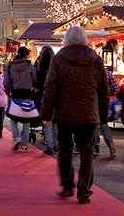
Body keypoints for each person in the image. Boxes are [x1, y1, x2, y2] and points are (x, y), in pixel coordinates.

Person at [41, 26, 109, 205]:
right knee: (87, 152)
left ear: (67, 39)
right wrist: (103, 114)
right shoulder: (95, 59)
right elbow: (103, 90)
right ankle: (84, 190)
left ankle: (67, 184)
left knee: (65, 149)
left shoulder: (58, 59)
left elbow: (51, 87)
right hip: (89, 113)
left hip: (65, 113)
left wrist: (46, 112)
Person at [5, 46, 37, 151]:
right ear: (26, 54)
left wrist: (7, 92)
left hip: (15, 93)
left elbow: (7, 81)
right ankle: (24, 145)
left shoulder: (10, 66)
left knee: (13, 118)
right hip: (27, 94)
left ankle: (16, 137)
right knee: (26, 120)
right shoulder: (30, 66)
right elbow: (34, 80)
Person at [35, 45, 57, 154]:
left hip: (44, 96)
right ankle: (56, 142)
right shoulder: (56, 66)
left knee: (47, 120)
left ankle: (49, 143)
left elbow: (37, 83)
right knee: (55, 121)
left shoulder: (40, 69)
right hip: (57, 96)